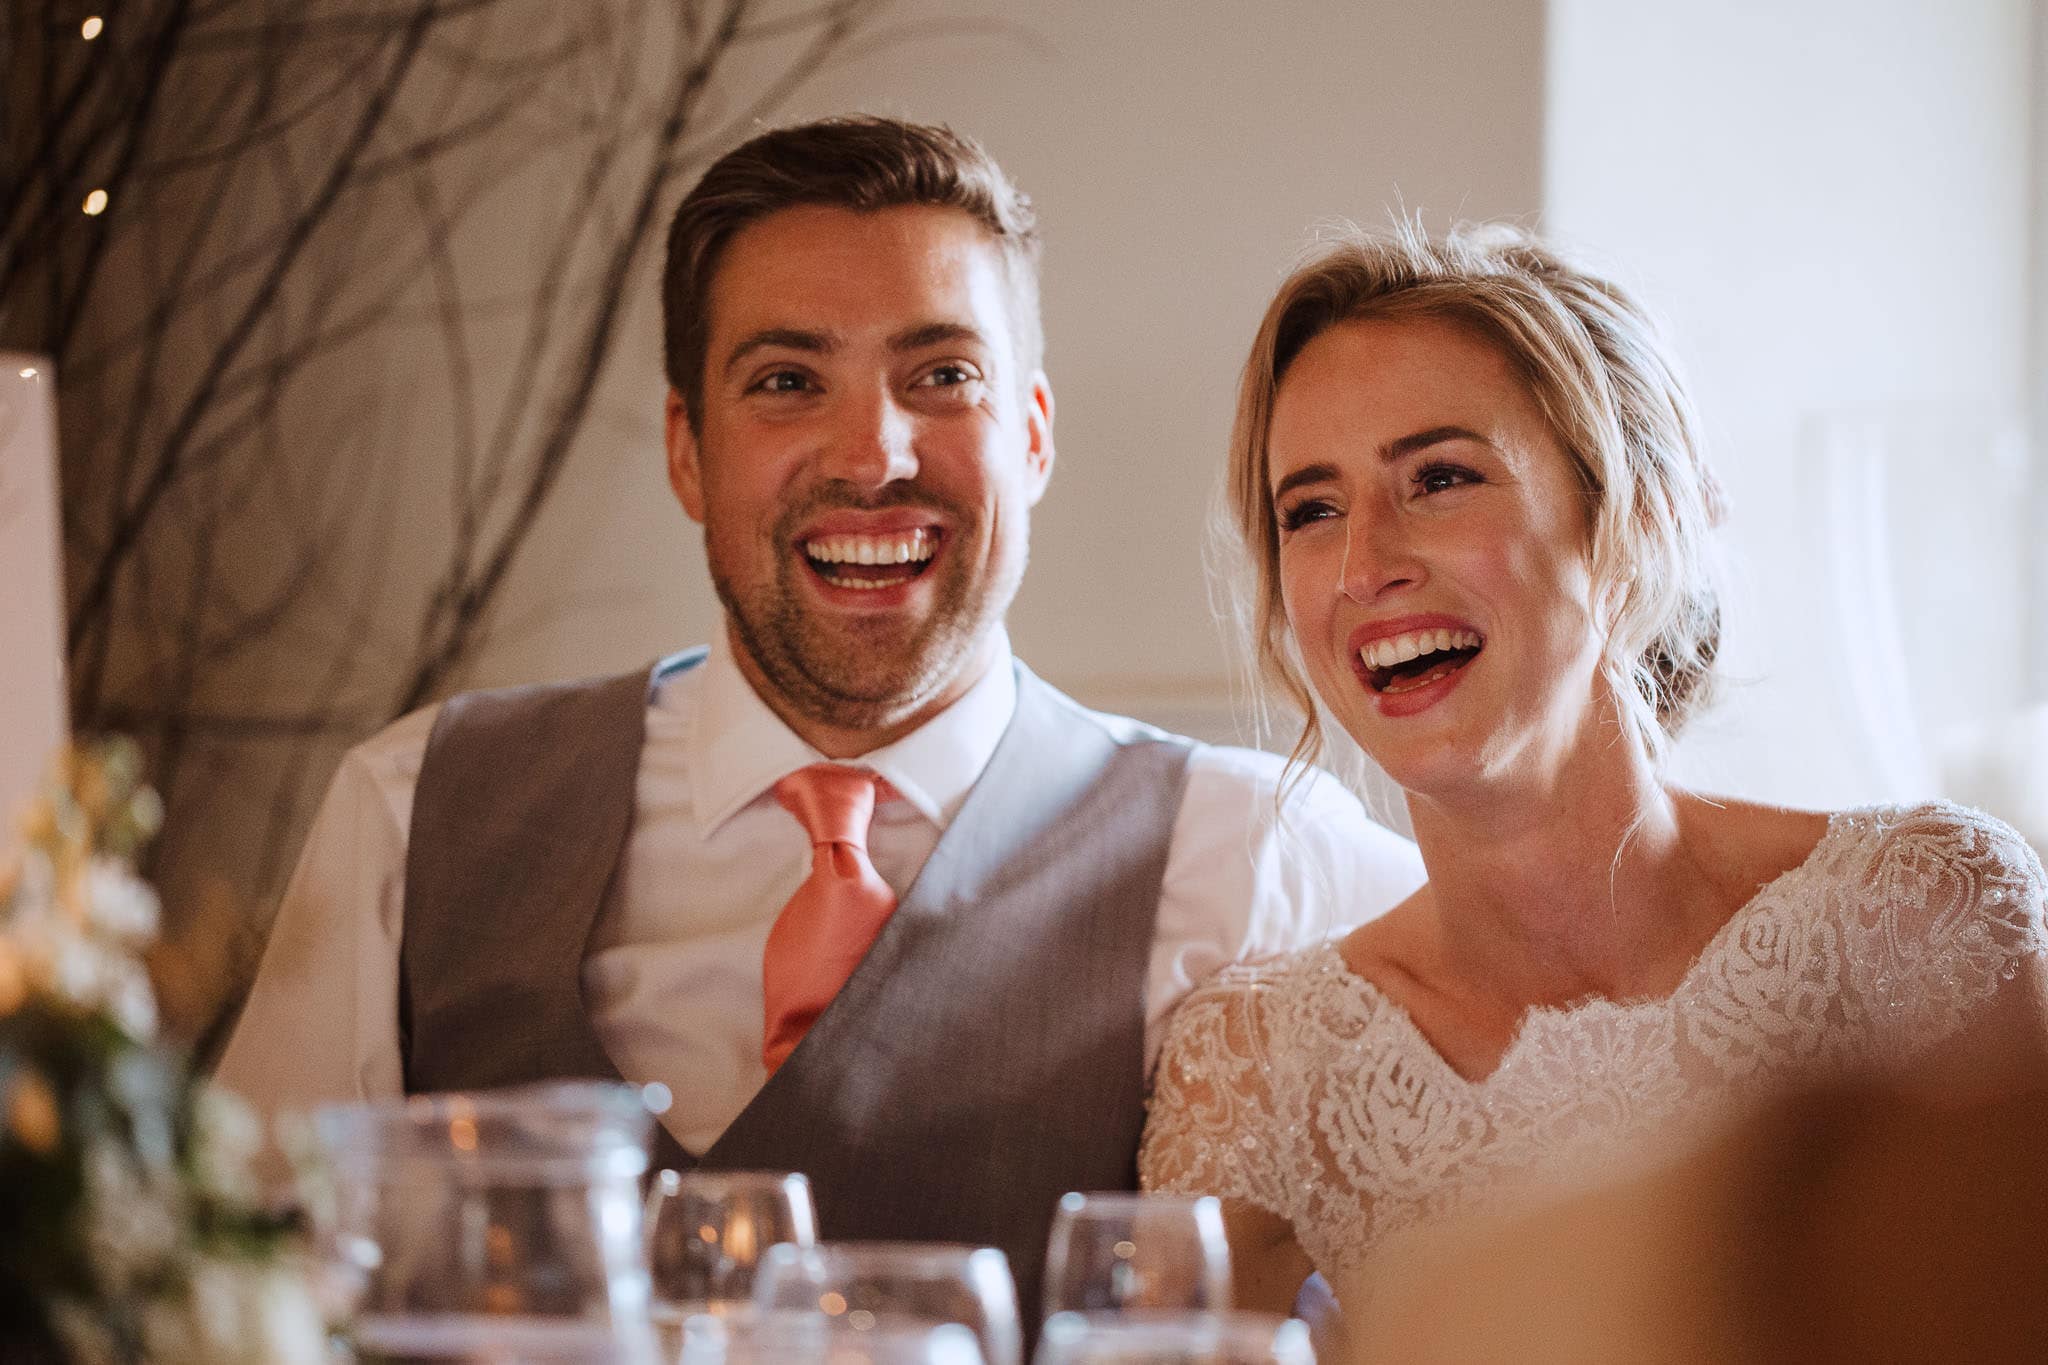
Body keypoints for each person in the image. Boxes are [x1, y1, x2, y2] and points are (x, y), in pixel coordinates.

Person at [214, 117, 1425, 1317]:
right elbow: (215, 1311)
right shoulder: (415, 806)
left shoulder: (1255, 859)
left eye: (941, 376)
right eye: (787, 382)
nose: (872, 455)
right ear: (689, 451)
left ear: (1034, 435)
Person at [1139, 222, 2048, 1320]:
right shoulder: (1252, 1065)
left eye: (1437, 477)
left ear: (1634, 515)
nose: (1365, 563)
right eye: (1312, 510)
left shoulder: (1923, 909)